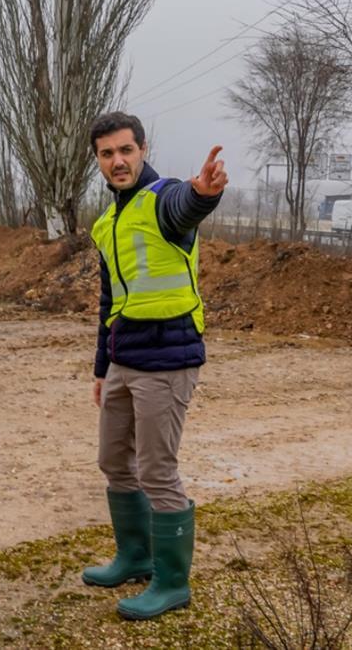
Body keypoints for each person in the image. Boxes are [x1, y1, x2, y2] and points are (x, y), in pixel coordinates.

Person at [80, 111, 228, 620]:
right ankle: (135, 556)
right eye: (107, 154)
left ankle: (171, 582)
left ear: (142, 148)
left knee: (157, 471)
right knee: (114, 462)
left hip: (168, 359)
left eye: (126, 150)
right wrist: (102, 367)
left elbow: (184, 207)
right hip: (124, 359)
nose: (118, 161)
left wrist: (204, 193)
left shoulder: (162, 198)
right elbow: (109, 300)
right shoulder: (107, 222)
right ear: (97, 160)